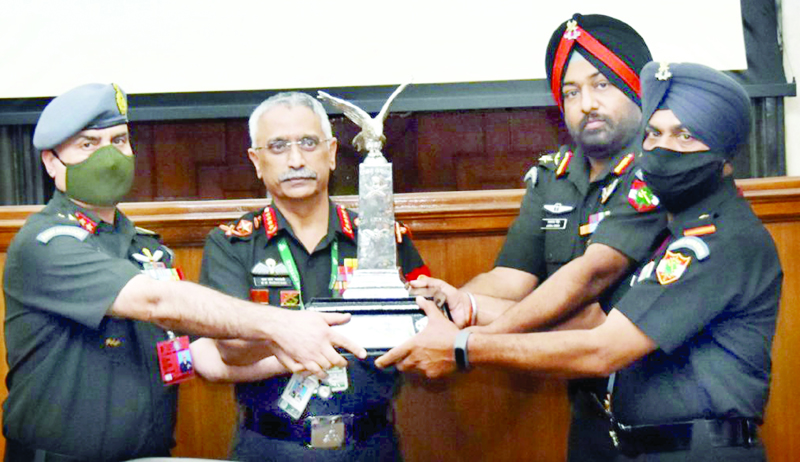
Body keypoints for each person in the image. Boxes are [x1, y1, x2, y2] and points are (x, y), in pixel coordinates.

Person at [379, 61, 780, 461]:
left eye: (685, 135)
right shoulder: (671, 232)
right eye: (654, 133)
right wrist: (468, 307)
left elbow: (602, 350)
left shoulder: (717, 239)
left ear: (724, 152)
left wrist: (465, 347)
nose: (662, 148)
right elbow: (594, 321)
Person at [2, 83, 367, 462]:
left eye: (119, 140)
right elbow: (155, 301)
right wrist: (282, 324)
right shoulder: (46, 243)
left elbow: (194, 355)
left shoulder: (148, 250)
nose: (108, 156)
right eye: (88, 145)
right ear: (50, 162)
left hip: (148, 454)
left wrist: (299, 352)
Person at [410, 13, 666, 461]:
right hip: (589, 417)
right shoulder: (554, 176)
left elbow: (591, 291)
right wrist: (448, 307)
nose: (586, 103)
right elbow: (510, 277)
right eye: (571, 91)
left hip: (662, 420)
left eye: (601, 84)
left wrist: (465, 341)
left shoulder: (662, 172)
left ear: (635, 86)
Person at [192, 91, 431, 462]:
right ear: (256, 161)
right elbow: (230, 347)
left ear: (332, 152)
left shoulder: (382, 236)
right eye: (278, 146)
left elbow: (425, 328)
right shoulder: (232, 245)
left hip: (370, 445)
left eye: (308, 143)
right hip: (272, 446)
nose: (295, 160)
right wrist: (328, 344)